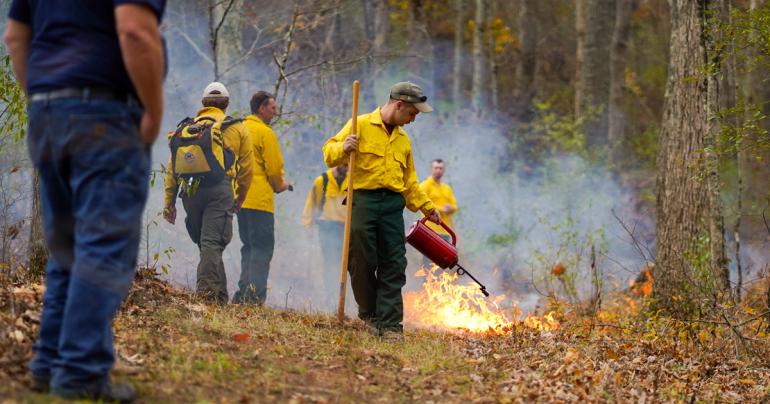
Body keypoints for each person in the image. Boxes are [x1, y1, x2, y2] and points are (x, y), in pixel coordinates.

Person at [4, 0, 165, 400]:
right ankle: (79, 373)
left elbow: (15, 36)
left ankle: (49, 363)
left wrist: (46, 100)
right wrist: (154, 112)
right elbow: (135, 30)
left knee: (69, 249)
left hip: (47, 111)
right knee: (103, 247)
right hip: (106, 114)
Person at [322, 81, 441, 341]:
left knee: (394, 264)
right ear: (399, 105)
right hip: (362, 201)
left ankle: (390, 326)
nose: (413, 119)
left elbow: (409, 181)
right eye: (412, 113)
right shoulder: (359, 124)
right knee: (361, 261)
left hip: (392, 207)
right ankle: (370, 315)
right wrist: (343, 148)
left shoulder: (403, 141)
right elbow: (328, 154)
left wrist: (427, 207)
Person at [163, 82, 254, 305]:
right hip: (219, 191)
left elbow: (172, 169)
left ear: (203, 104)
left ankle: (220, 298)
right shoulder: (236, 127)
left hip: (190, 192)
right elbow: (247, 169)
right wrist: (240, 196)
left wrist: (169, 203)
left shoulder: (186, 128)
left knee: (207, 244)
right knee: (212, 243)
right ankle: (207, 298)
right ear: (227, 104)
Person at [233, 91, 291, 305]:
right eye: (273, 108)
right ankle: (254, 298)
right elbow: (274, 169)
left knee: (248, 247)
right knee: (262, 248)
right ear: (261, 108)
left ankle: (241, 296)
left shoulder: (239, 129)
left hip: (239, 200)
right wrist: (281, 186)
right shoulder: (265, 133)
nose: (275, 113)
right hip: (259, 202)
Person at [301, 164, 348, 306]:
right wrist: (307, 225)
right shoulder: (322, 181)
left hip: (346, 229)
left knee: (346, 266)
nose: (346, 167)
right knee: (330, 265)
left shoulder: (353, 180)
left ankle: (345, 301)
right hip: (327, 228)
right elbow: (311, 205)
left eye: (348, 164)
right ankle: (331, 300)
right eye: (343, 163)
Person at [419, 159, 458, 266]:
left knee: (443, 262)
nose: (438, 170)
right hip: (429, 230)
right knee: (428, 262)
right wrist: (442, 209)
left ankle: (442, 283)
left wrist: (451, 208)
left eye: (441, 168)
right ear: (431, 169)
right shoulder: (425, 185)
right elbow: (421, 203)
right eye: (436, 168)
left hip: (445, 230)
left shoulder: (447, 188)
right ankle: (427, 282)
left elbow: (454, 206)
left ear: (444, 170)